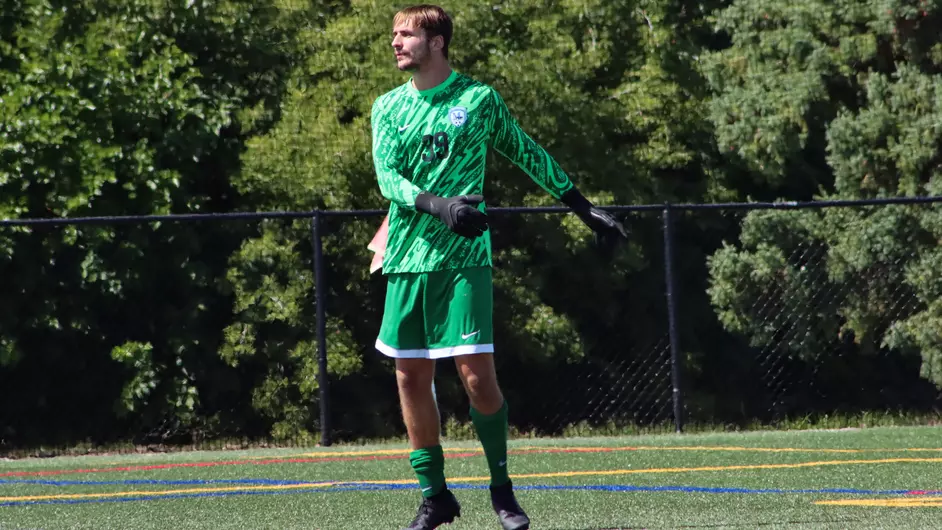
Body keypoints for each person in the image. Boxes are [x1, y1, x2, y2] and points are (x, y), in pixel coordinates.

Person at [370, 5, 628, 530]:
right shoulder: (387, 107)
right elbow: (387, 178)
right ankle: (435, 496)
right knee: (410, 377)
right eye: (394, 35)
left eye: (406, 34)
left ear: (437, 41)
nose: (395, 43)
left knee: (476, 378)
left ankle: (503, 492)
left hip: (464, 261)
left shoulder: (477, 99)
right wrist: (439, 204)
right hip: (406, 259)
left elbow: (524, 150)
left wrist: (581, 206)